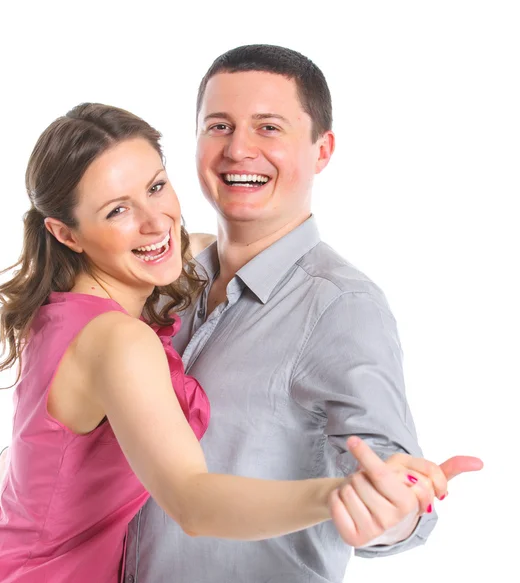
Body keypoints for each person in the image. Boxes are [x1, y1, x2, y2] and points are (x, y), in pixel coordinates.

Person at [0, 103, 460, 583]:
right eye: (116, 210)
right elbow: (193, 501)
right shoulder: (118, 340)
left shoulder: (64, 306)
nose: (155, 221)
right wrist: (339, 494)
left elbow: (198, 243)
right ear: (66, 234)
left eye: (156, 186)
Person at [118, 45, 483, 583]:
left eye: (269, 128)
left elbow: (387, 477)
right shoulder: (164, 280)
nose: (238, 149)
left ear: (322, 150)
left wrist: (391, 514)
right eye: (219, 126)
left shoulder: (342, 307)